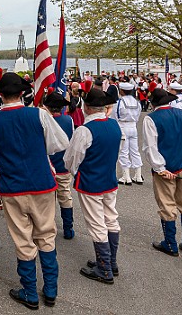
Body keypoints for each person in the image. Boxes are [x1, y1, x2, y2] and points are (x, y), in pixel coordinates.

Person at [0, 73, 68, 309]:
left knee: (23, 240)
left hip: (13, 187)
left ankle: (30, 292)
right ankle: (50, 290)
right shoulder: (39, 114)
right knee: (46, 235)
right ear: (22, 93)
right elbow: (58, 144)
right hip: (42, 183)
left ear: (0, 95)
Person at [64, 88, 121, 285]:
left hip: (91, 181)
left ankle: (104, 268)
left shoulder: (84, 130)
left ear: (86, 107)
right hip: (109, 179)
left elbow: (71, 159)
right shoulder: (114, 125)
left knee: (97, 223)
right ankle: (110, 261)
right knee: (111, 219)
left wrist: (76, 172)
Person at [142, 88, 182, 257]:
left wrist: (160, 168)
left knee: (167, 204)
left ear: (153, 103)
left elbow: (150, 147)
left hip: (167, 167)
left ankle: (170, 243)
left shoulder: (151, 119)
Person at [42, 91, 75, 239]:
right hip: (63, 166)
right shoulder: (69, 120)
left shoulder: (43, 121)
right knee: (65, 197)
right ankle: (68, 228)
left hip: (48, 167)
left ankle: (49, 229)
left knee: (48, 201)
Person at [111, 81, 143, 185]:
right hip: (133, 126)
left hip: (122, 126)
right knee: (135, 151)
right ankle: (138, 175)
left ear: (121, 91)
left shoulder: (119, 102)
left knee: (123, 151)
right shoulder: (137, 102)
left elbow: (114, 116)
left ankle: (126, 176)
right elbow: (138, 115)